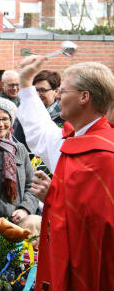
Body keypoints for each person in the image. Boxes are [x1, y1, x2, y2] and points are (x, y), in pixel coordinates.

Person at [17, 55, 114, 291]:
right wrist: (25, 82)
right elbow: (40, 131)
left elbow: (101, 224)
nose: (58, 96)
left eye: (64, 90)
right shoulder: (74, 139)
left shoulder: (105, 154)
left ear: (84, 97)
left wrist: (55, 197)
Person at [0, 97, 38, 224]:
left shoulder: (20, 149)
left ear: (11, 121)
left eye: (5, 119)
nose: (0, 124)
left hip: (21, 219)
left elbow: (32, 185)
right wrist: (10, 211)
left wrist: (24, 209)